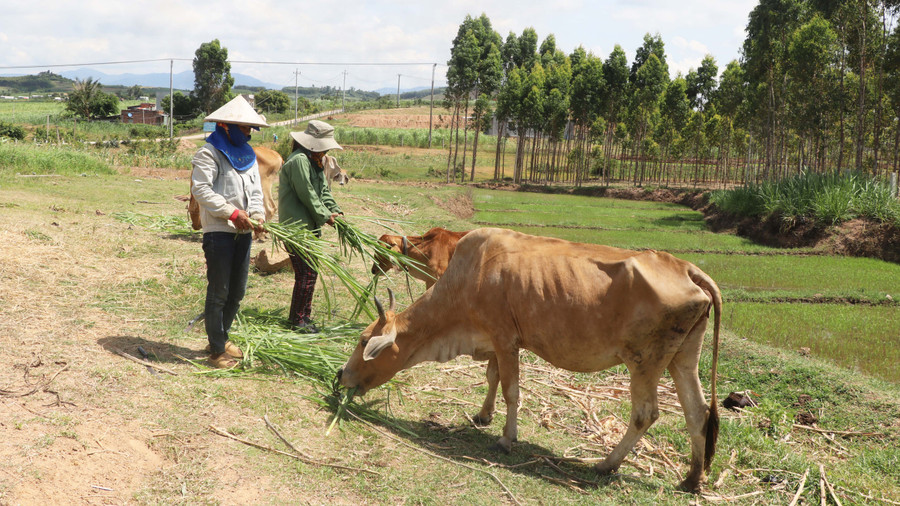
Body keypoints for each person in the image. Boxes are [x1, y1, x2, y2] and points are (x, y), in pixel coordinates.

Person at [191, 95, 268, 368]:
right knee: (219, 291)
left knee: (237, 291)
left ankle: (221, 338)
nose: (248, 134)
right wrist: (233, 213)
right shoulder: (208, 153)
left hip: (243, 233)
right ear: (226, 126)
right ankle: (216, 351)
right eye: (245, 128)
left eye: (251, 129)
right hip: (219, 232)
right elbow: (201, 190)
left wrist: (257, 216)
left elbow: (256, 192)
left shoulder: (248, 156)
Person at [279, 120, 344, 332]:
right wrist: (326, 216)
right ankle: (298, 321)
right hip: (296, 228)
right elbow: (306, 194)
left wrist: (335, 210)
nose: (326, 151)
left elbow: (323, 191)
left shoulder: (315, 161)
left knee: (310, 273)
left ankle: (302, 317)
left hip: (309, 228)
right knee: (306, 274)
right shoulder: (299, 161)